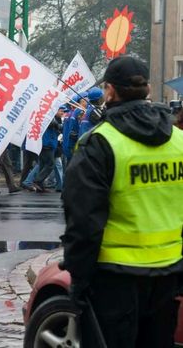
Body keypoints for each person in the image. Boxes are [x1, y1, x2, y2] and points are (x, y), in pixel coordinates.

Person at [62, 56, 183, 347]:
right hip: (169, 273)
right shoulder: (179, 140)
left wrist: (78, 278)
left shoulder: (99, 143)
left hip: (114, 278)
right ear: (148, 90)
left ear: (110, 91)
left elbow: (83, 221)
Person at [32, 112, 63, 192]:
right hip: (47, 144)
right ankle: (38, 181)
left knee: (42, 165)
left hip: (44, 143)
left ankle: (40, 187)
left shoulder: (44, 115)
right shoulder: (47, 116)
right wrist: (62, 125)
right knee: (50, 164)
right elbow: (54, 124)